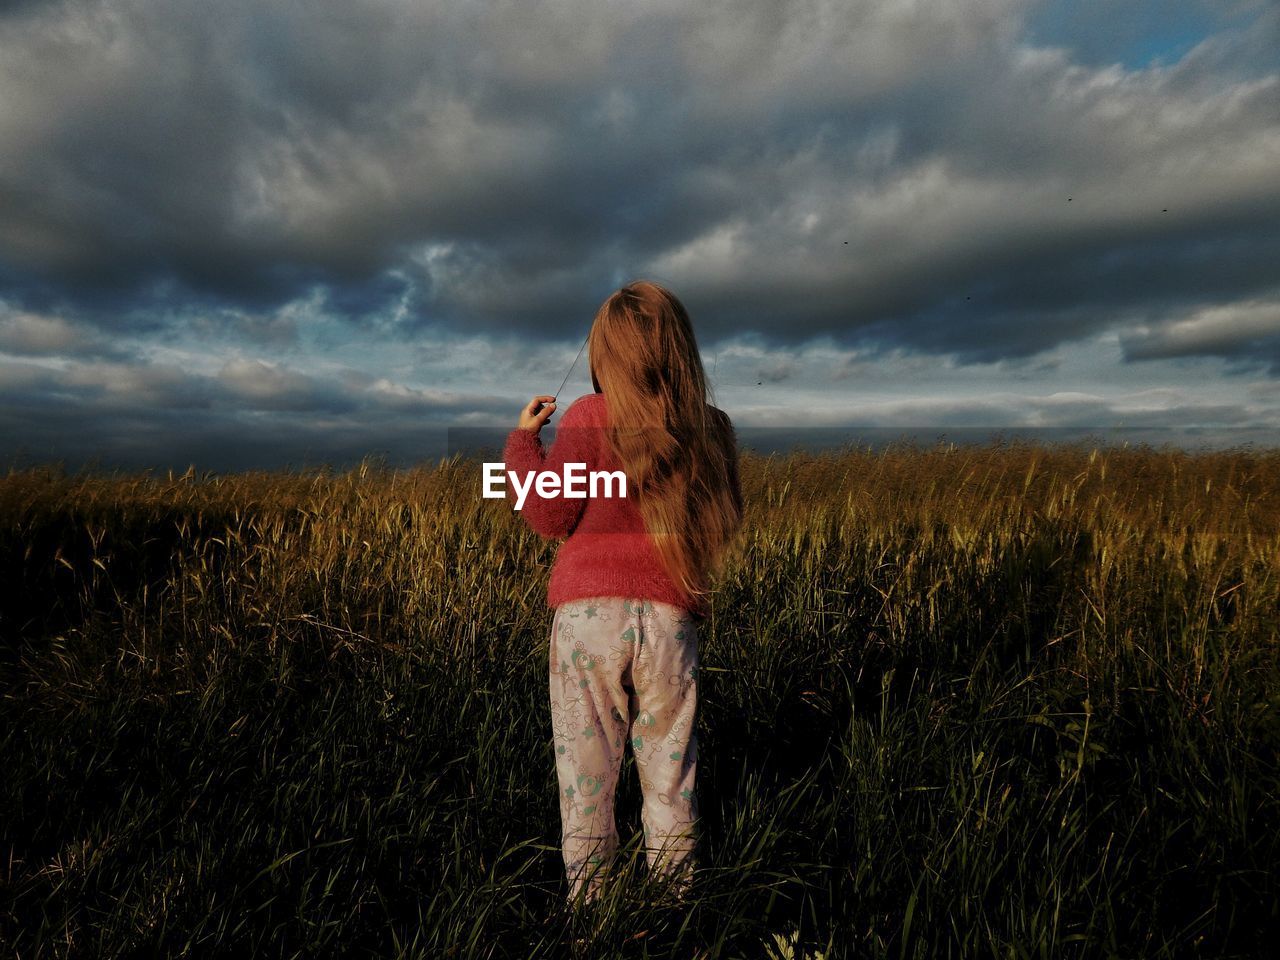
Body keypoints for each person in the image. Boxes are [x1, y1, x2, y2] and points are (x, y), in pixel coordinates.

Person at [501, 280, 744, 906]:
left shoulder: (584, 418)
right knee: (671, 777)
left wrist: (522, 444)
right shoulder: (710, 429)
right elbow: (723, 520)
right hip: (671, 618)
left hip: (586, 622)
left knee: (586, 782)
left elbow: (548, 517)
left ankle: (595, 920)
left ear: (603, 356)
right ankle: (673, 910)